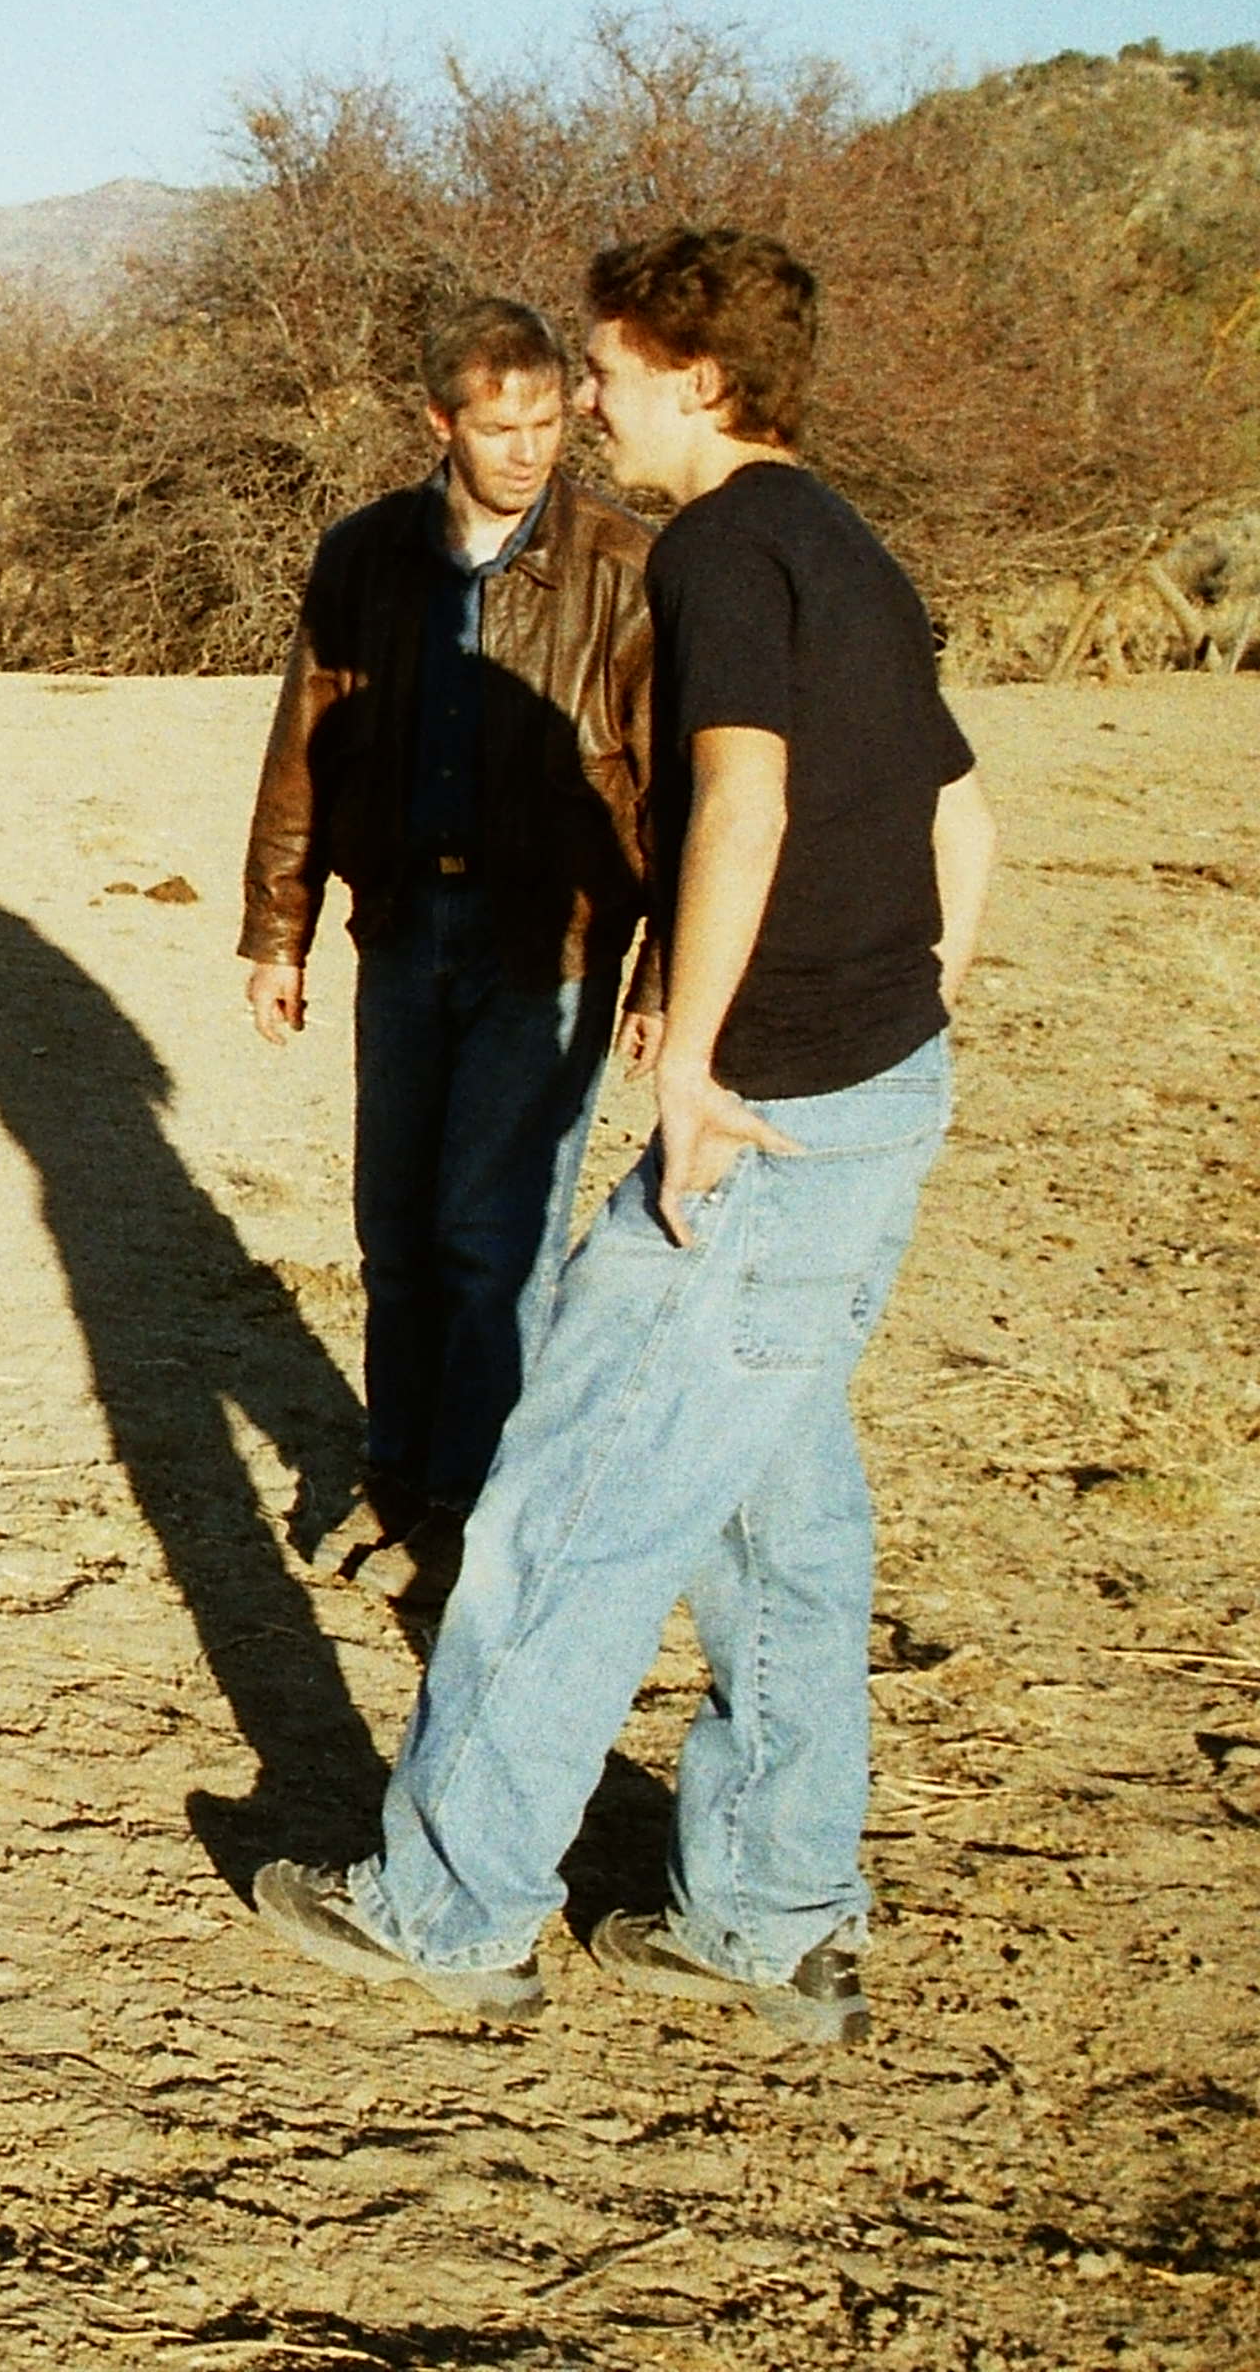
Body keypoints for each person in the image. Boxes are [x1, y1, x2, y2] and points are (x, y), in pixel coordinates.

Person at [256, 229, 997, 2048]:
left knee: (563, 1505)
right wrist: (900, 1012)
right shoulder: (845, 542)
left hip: (764, 1119)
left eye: (604, 373)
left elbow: (738, 798)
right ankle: (768, 1911)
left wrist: (698, 1058)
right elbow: (961, 814)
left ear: (698, 378)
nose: (584, 405)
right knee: (779, 1516)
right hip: (870, 1097)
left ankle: (447, 1907)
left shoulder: (720, 549)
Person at [241, 294, 663, 1597]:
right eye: (498, 427)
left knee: (494, 1238)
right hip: (404, 929)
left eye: (546, 423)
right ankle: (397, 1477)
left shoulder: (626, 566)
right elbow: (305, 744)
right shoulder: (365, 556)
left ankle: (478, 1514)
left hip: (553, 945)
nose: (528, 451)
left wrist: (663, 972)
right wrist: (278, 928)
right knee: (394, 1229)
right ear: (440, 422)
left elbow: (676, 791)